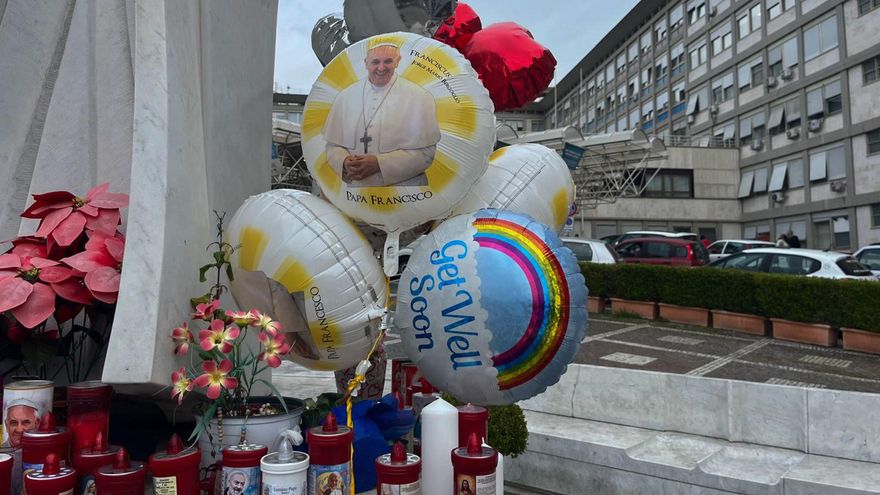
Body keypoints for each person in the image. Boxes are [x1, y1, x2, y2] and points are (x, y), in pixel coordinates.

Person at [323, 42, 441, 187]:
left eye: (388, 61)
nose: (381, 68)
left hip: (405, 193)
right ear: (366, 63)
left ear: (397, 61)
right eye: (375, 62)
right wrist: (344, 162)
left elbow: (426, 153)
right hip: (357, 194)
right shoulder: (345, 97)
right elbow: (332, 146)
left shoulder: (420, 96)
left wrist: (379, 164)